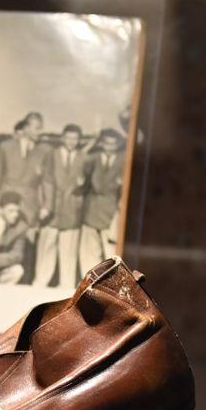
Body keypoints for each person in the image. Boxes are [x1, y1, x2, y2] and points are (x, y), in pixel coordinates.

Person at [33, 123, 88, 288]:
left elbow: (88, 185)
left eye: (75, 138)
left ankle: (66, 288)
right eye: (68, 138)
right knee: (46, 250)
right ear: (63, 138)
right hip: (52, 210)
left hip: (72, 211)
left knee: (68, 253)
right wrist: (45, 206)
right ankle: (39, 285)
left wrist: (82, 185)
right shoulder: (52, 155)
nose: (71, 141)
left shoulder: (84, 157)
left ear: (79, 140)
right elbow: (45, 181)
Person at [78, 127, 125, 271]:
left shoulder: (124, 160)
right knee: (89, 250)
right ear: (101, 143)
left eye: (113, 143)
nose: (109, 147)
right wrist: (91, 143)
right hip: (92, 209)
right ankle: (90, 280)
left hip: (112, 211)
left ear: (118, 144)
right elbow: (79, 158)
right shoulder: (93, 158)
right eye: (106, 143)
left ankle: (110, 281)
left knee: (111, 252)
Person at [0, 117, 44, 220]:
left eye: (41, 129)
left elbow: (46, 182)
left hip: (29, 206)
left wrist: (46, 206)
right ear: (26, 128)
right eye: (37, 128)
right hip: (7, 202)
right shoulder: (5, 147)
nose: (40, 132)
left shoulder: (42, 152)